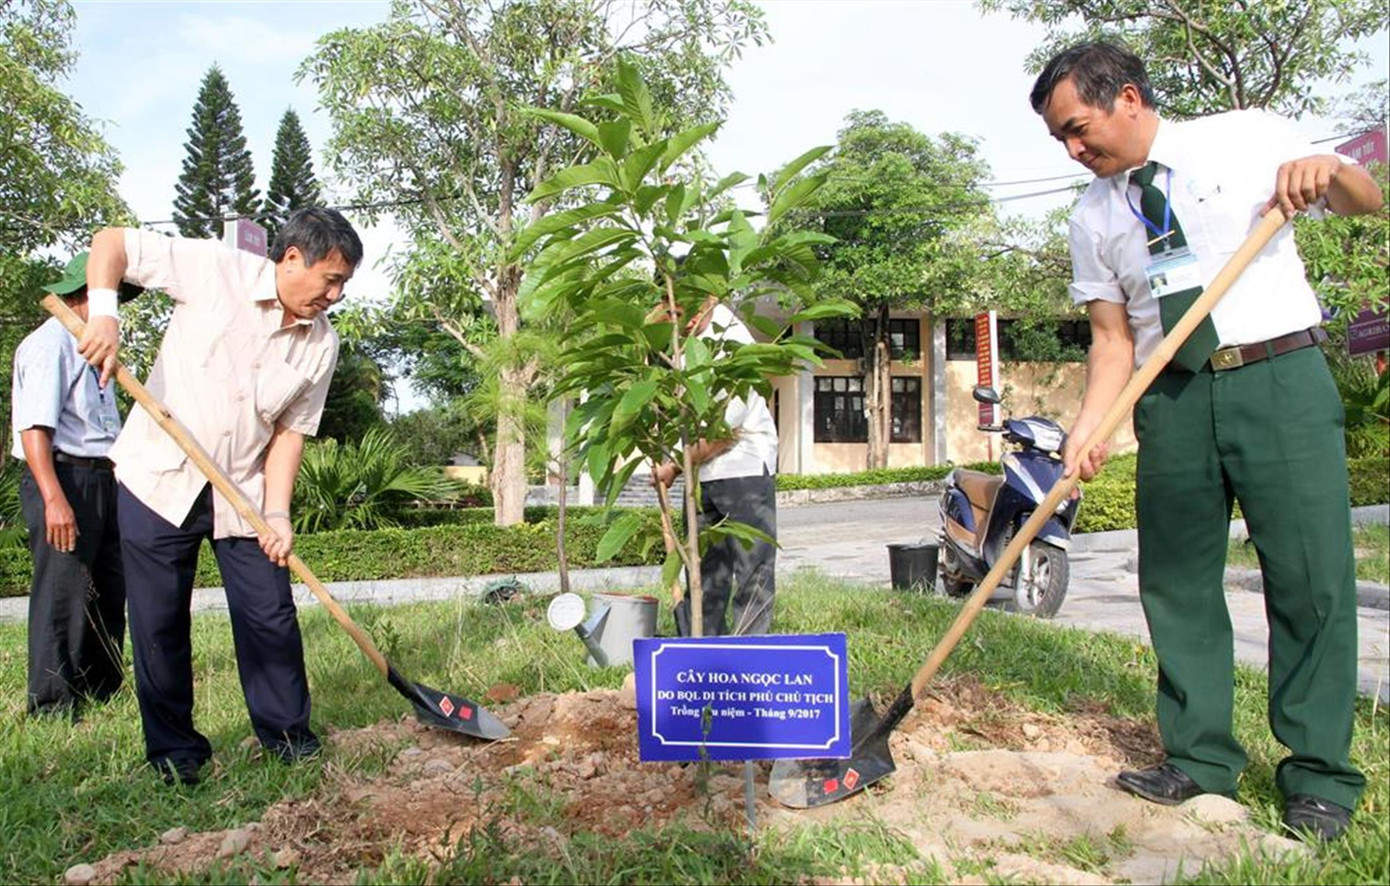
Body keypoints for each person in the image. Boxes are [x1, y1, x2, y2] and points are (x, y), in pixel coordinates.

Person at [1030, 41, 1383, 841]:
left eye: (1079, 130)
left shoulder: (1247, 136)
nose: (1075, 150)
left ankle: (1319, 776)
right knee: (1178, 581)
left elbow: (1366, 200)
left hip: (1277, 378)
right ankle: (1198, 756)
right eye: (1061, 141)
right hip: (1173, 395)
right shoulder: (1092, 215)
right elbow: (1112, 340)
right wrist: (1091, 427)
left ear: (1127, 97)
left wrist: (1325, 170)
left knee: (1310, 578)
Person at [75, 208, 362, 785]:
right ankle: (176, 756)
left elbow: (290, 432)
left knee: (270, 614)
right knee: (158, 623)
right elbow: (111, 243)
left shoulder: (320, 345)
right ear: (290, 258)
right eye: (329, 279)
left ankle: (287, 740)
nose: (334, 295)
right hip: (159, 477)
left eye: (343, 285)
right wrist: (105, 316)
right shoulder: (214, 269)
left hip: (244, 491)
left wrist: (277, 513)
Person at [11, 254, 141, 720]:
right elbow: (34, 430)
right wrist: (54, 500)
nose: (116, 307)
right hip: (64, 476)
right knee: (63, 590)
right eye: (109, 296)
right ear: (83, 294)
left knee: (110, 585)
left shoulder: (91, 345)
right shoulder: (50, 344)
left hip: (104, 475)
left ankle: (102, 686)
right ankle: (51, 701)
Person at [654, 295, 779, 637]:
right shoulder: (689, 347)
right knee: (706, 572)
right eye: (674, 312)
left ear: (710, 299)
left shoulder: (734, 343)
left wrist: (673, 467)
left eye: (689, 310)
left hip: (743, 472)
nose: (684, 320)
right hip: (703, 477)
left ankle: (747, 658)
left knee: (752, 571)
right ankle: (706, 658)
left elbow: (723, 434)